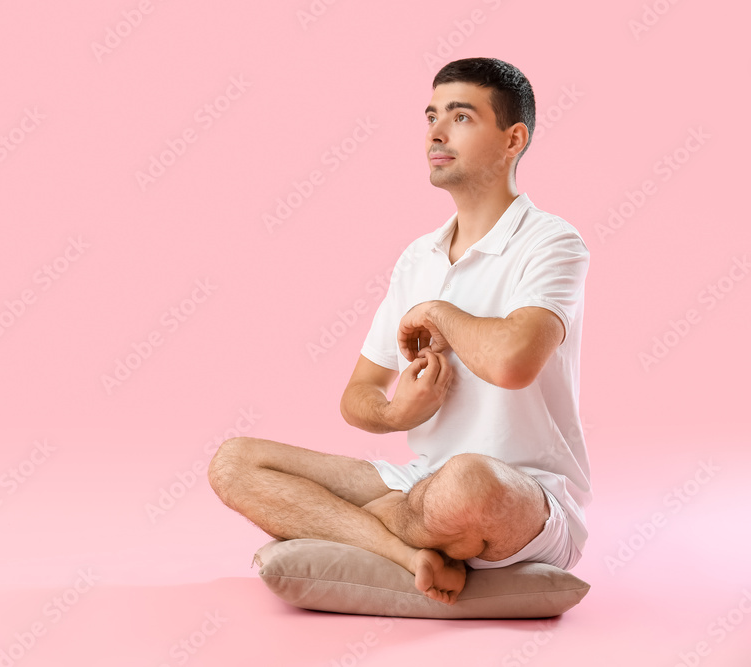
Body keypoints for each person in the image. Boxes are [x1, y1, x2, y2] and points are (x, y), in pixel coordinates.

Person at [208, 57, 591, 606]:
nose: (435, 132)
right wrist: (395, 415)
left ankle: (341, 524)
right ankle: (409, 555)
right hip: (416, 485)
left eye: (460, 117)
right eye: (431, 115)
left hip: (522, 494)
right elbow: (357, 395)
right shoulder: (419, 256)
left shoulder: (552, 242)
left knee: (469, 480)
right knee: (235, 460)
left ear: (513, 139)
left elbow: (513, 362)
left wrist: (437, 313)